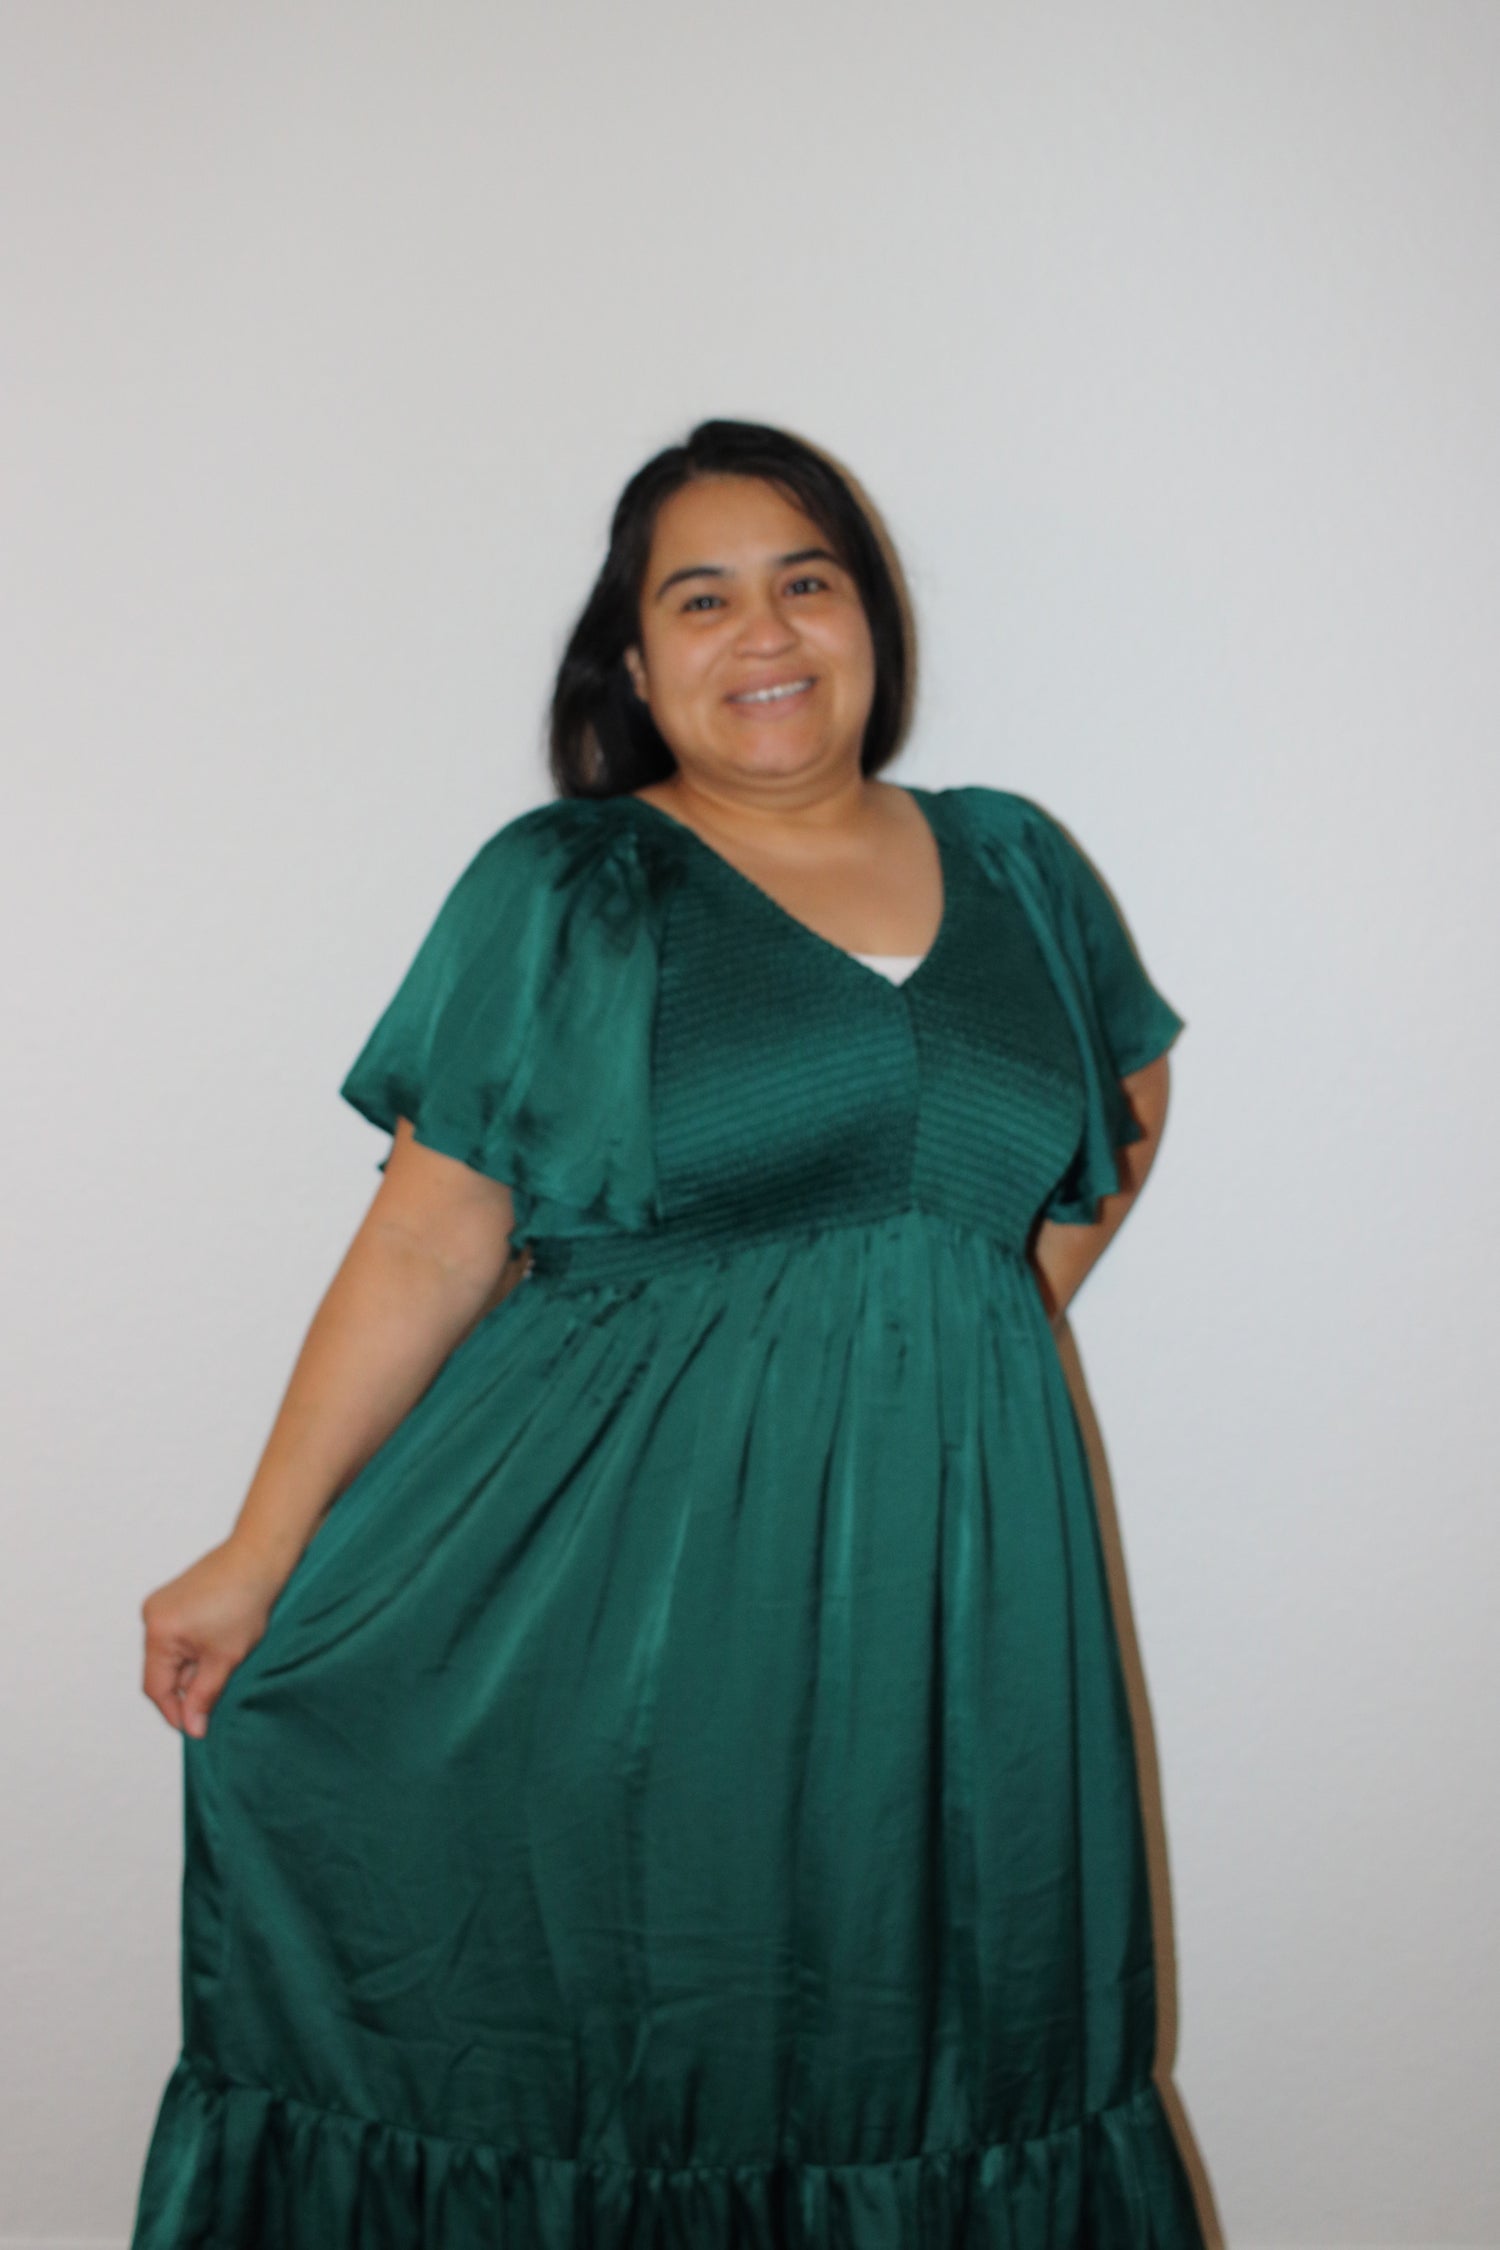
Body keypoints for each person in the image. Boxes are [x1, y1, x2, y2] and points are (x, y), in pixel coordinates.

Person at [129, 418, 1206, 2247]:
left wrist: (974, 1323)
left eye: (807, 581)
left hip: (953, 1579)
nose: (762, 631)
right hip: (620, 1571)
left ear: (870, 621)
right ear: (634, 665)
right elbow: (430, 1236)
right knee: (634, 2023)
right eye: (700, 600)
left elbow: (1128, 1098)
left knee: (940, 2019)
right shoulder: (574, 885)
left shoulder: (1016, 860)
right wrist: (260, 1546)